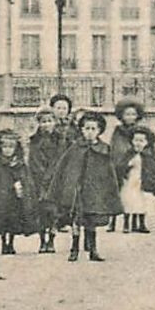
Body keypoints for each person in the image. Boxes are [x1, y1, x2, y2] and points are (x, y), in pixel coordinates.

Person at [47, 111, 122, 261]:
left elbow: (109, 172)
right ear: (81, 130)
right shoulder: (75, 148)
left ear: (99, 131)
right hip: (77, 192)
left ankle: (93, 250)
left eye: (93, 129)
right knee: (76, 220)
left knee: (91, 221)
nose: (89, 132)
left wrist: (109, 191)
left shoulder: (104, 149)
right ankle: (74, 249)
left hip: (94, 192)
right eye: (86, 128)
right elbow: (63, 168)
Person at [0, 128, 38, 254]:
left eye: (11, 147)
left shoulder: (20, 164)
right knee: (3, 220)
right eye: (5, 147)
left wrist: (22, 187)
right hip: (2, 199)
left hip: (16, 198)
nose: (8, 150)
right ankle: (4, 242)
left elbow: (26, 179)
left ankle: (11, 242)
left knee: (14, 221)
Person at [26, 108, 66, 254]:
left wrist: (52, 175)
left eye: (50, 121)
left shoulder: (60, 139)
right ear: (39, 123)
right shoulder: (34, 140)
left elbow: (60, 159)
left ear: (55, 122)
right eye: (43, 122)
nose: (46, 124)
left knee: (54, 212)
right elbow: (33, 160)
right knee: (41, 212)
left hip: (55, 180)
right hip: (38, 181)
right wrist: (40, 176)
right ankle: (42, 241)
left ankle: (52, 240)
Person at [106, 97, 147, 232]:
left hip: (137, 169)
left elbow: (147, 147)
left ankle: (138, 222)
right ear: (121, 116)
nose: (130, 117)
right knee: (118, 194)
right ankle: (113, 221)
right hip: (121, 168)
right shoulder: (118, 132)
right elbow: (115, 148)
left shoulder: (140, 131)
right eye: (127, 114)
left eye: (133, 114)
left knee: (137, 195)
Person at [116, 126, 155, 233]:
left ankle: (141, 224)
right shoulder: (129, 154)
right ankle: (126, 223)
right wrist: (128, 165)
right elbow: (120, 166)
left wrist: (152, 181)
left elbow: (154, 169)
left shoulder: (148, 155)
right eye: (136, 140)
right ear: (132, 141)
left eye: (141, 141)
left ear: (147, 142)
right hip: (130, 182)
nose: (138, 143)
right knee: (129, 202)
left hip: (143, 183)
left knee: (142, 203)